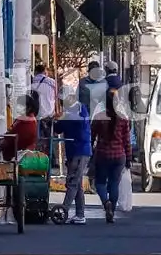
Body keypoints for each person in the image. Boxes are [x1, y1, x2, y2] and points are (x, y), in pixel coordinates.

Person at [91, 88, 131, 224]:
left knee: (100, 183)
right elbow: (127, 141)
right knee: (114, 183)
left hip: (102, 154)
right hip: (119, 155)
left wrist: (90, 152)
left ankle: (106, 202)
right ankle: (111, 212)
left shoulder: (99, 117)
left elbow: (92, 136)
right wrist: (129, 158)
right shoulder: (123, 118)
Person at [54, 98, 91, 224]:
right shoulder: (82, 109)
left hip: (77, 152)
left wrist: (55, 119)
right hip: (82, 150)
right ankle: (80, 214)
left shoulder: (69, 116)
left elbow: (58, 128)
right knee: (77, 183)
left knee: (72, 183)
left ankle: (64, 210)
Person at [0, 95, 39, 161]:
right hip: (22, 153)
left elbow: (11, 138)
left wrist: (1, 142)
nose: (18, 107)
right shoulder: (30, 119)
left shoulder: (25, 121)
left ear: (29, 107)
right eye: (18, 105)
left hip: (16, 155)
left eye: (21, 105)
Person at [31, 64, 57, 152]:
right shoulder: (52, 82)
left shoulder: (31, 81)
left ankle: (37, 154)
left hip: (36, 115)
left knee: (36, 138)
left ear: (35, 72)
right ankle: (51, 156)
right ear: (44, 72)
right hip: (49, 115)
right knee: (50, 138)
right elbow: (56, 96)